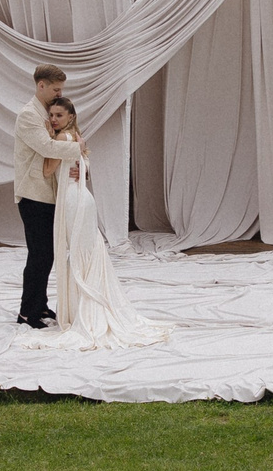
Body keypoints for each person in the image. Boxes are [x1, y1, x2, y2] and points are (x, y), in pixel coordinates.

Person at [22, 97, 168, 349]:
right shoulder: (76, 137)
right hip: (82, 199)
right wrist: (81, 163)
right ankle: (84, 308)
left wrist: (50, 142)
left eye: (59, 115)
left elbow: (47, 170)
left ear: (70, 117)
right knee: (85, 252)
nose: (54, 120)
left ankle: (85, 312)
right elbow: (81, 164)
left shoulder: (62, 139)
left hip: (72, 201)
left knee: (79, 254)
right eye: (52, 116)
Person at [13, 65, 76, 328]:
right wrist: (77, 146)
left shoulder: (43, 113)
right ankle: (27, 312)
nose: (59, 93)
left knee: (46, 254)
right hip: (33, 194)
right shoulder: (29, 115)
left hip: (45, 195)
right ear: (41, 85)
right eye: (55, 89)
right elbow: (47, 146)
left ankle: (40, 305)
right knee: (39, 254)